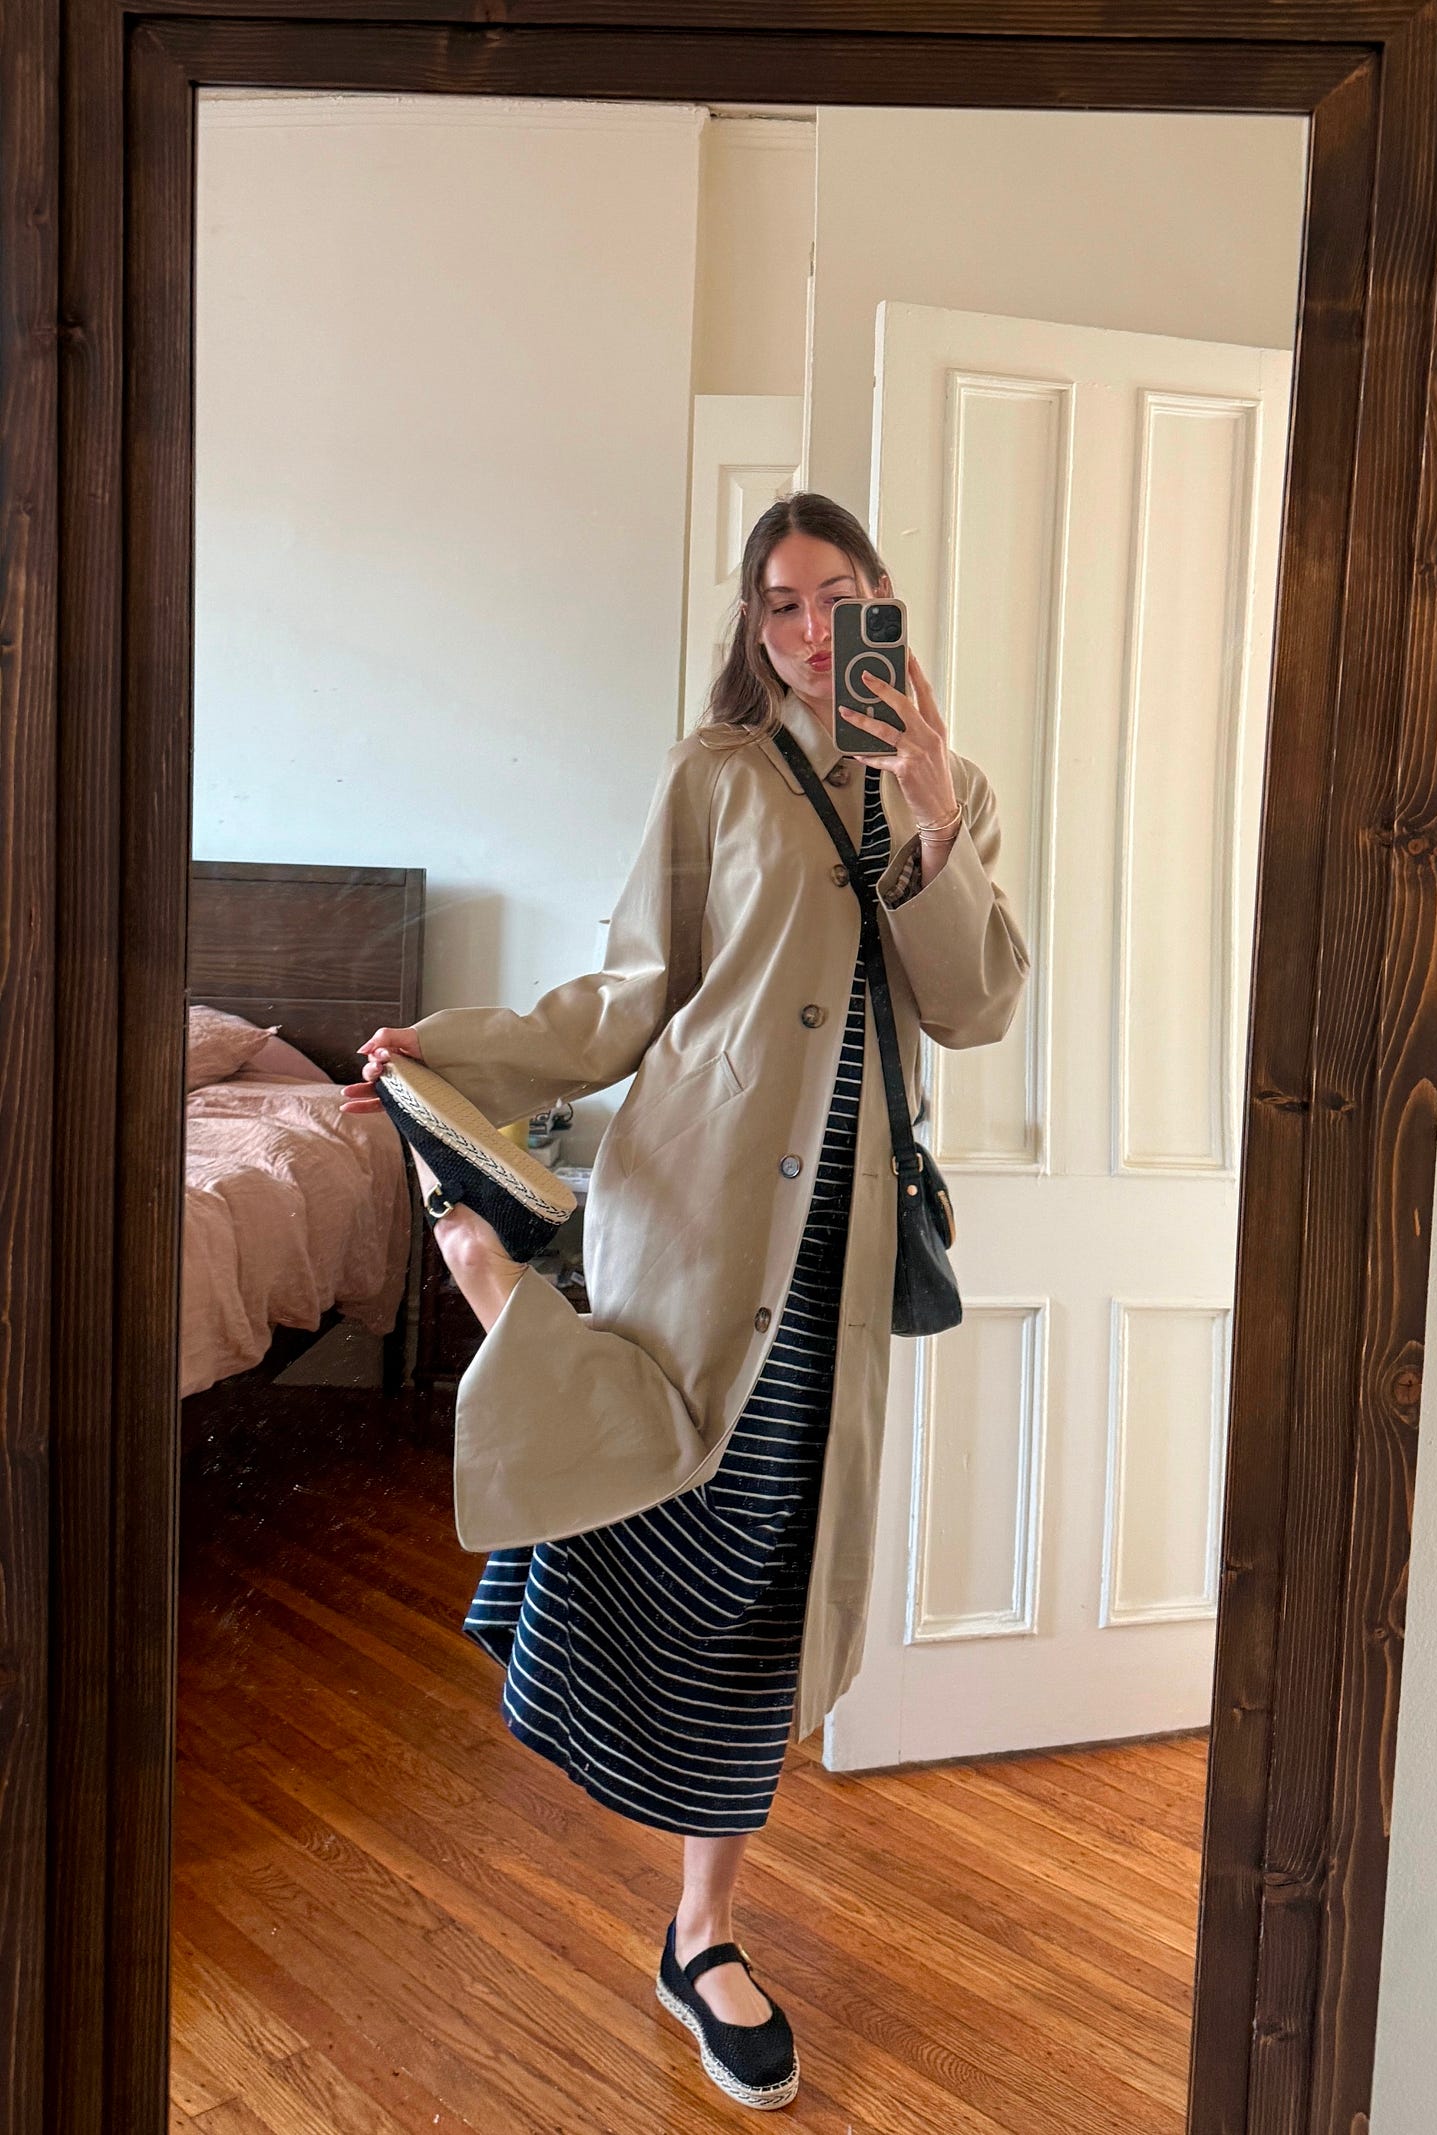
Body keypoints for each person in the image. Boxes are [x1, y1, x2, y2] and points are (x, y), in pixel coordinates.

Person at [341, 491, 1030, 2110]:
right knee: (647, 1496)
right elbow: (629, 996)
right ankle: (499, 1284)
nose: (811, 630)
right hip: (697, 1208)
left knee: (770, 1578)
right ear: (752, 627)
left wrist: (933, 812)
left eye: (839, 596)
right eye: (781, 603)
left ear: (883, 603)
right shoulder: (715, 776)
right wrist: (458, 1050)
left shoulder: (953, 787)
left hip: (838, 1249)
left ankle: (703, 1933)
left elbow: (977, 1002)